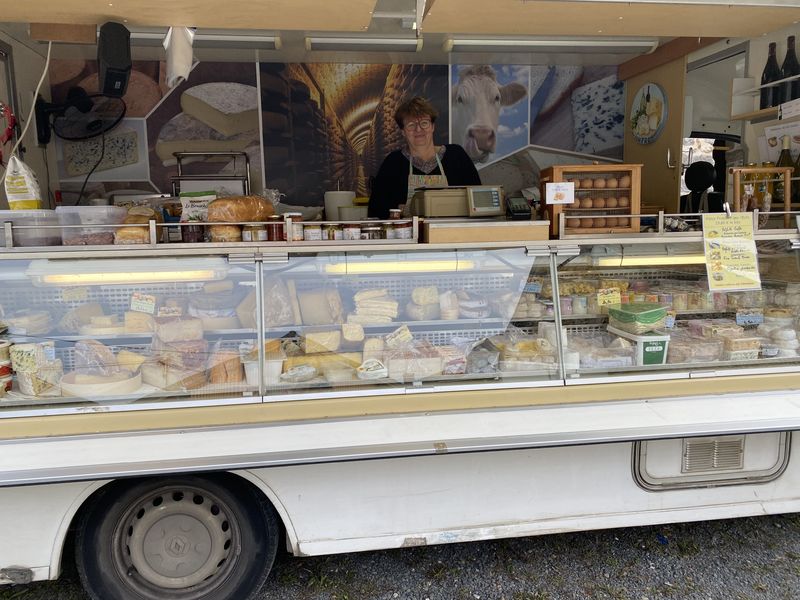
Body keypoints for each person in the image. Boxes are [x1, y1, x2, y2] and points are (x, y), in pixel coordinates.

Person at [368, 97, 481, 219]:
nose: (418, 129)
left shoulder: (456, 156)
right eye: (411, 125)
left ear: (432, 126)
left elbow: (478, 201)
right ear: (403, 131)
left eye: (424, 123)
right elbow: (376, 211)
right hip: (411, 236)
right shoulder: (393, 164)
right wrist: (397, 211)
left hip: (452, 234)